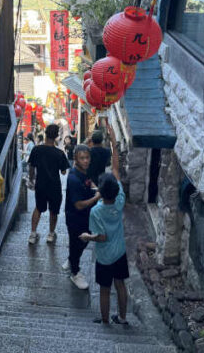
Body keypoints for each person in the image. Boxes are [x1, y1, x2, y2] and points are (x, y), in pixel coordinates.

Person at [80, 129, 128, 325]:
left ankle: (106, 320)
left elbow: (101, 237)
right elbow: (116, 169)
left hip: (104, 257)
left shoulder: (96, 211)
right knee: (121, 285)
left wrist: (87, 237)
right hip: (120, 252)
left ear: (100, 190)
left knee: (105, 289)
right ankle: (123, 318)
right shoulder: (120, 201)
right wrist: (114, 141)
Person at [64, 144, 101, 290]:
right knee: (78, 243)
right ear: (76, 160)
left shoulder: (83, 172)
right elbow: (78, 205)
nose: (85, 161)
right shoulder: (74, 179)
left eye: (87, 158)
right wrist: (96, 197)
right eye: (82, 158)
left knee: (81, 242)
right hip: (75, 218)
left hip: (85, 216)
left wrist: (95, 188)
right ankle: (74, 272)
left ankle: (71, 259)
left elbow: (89, 181)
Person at [27, 124, 70, 245]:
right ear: (56, 136)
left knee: (38, 208)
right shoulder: (59, 153)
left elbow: (31, 167)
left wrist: (31, 179)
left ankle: (33, 234)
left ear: (45, 134)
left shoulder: (36, 149)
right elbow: (63, 171)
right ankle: (51, 234)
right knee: (53, 211)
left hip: (40, 184)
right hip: (54, 186)